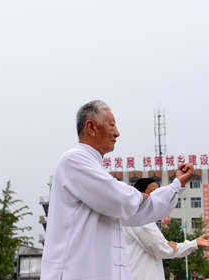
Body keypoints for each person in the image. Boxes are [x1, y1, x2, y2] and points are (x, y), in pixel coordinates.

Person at [40, 100, 195, 280]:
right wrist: (140, 196)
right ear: (91, 127)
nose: (117, 133)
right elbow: (120, 197)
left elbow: (139, 211)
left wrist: (177, 185)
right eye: (111, 125)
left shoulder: (98, 173)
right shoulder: (73, 161)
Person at [123, 178, 209, 280]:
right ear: (142, 194)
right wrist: (194, 243)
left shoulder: (129, 215)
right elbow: (163, 249)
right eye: (153, 192)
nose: (158, 196)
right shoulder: (140, 221)